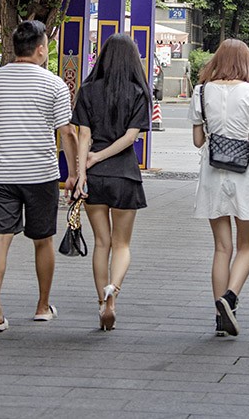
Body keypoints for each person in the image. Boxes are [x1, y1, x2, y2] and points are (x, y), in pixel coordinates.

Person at [0, 19, 80, 333]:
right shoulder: (55, 84)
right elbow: (67, 132)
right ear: (39, 49)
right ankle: (42, 306)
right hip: (40, 173)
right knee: (43, 240)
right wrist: (74, 174)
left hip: (0, 169)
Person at [64, 33, 151, 332]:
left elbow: (83, 136)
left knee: (102, 243)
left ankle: (102, 304)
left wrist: (84, 170)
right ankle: (113, 289)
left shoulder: (88, 90)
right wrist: (101, 158)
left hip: (96, 180)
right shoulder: (139, 92)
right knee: (122, 244)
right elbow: (130, 138)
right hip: (125, 174)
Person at [189, 39, 249, 337]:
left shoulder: (201, 92)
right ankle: (231, 297)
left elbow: (198, 141)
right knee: (247, 245)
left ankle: (219, 315)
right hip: (243, 175)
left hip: (212, 174)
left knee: (222, 247)